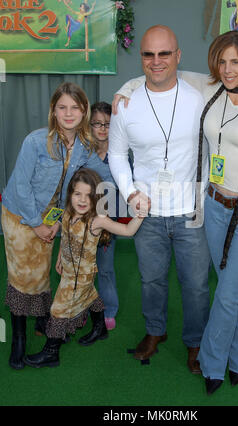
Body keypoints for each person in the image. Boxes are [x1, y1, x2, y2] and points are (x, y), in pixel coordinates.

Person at [113, 30, 238, 393]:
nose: (229, 70)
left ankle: (209, 359)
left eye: (236, 63)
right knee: (229, 288)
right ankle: (234, 357)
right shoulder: (210, 93)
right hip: (210, 207)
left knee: (217, 291)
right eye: (223, 62)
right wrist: (128, 87)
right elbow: (156, 74)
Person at [108, 25, 211, 375]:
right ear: (141, 58)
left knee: (196, 285)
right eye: (149, 54)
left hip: (191, 212)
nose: (156, 61)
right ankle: (155, 332)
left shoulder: (200, 97)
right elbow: (117, 155)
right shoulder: (126, 104)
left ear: (178, 56)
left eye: (164, 53)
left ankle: (195, 343)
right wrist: (130, 192)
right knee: (151, 280)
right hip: (146, 214)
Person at [1, 82, 114, 370]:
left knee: (41, 274)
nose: (68, 113)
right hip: (20, 216)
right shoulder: (36, 141)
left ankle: (41, 319)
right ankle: (19, 340)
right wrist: (37, 224)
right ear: (53, 110)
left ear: (84, 111)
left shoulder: (86, 146)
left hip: (51, 221)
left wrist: (121, 198)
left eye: (75, 107)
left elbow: (105, 180)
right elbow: (21, 185)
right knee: (23, 277)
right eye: (62, 107)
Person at [23, 168, 147, 368]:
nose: (82, 200)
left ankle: (51, 352)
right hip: (69, 271)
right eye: (77, 194)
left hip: (81, 277)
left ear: (95, 198)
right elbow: (66, 239)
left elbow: (126, 230)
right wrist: (60, 258)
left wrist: (140, 215)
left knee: (57, 309)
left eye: (88, 196)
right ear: (70, 194)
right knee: (91, 296)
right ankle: (100, 328)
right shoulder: (67, 214)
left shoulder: (97, 220)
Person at [90, 101, 118, 330]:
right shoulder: (83, 153)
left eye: (107, 124)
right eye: (97, 124)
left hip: (108, 225)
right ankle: (79, 308)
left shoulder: (120, 157)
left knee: (105, 269)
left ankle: (109, 309)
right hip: (83, 224)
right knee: (80, 269)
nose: (102, 129)